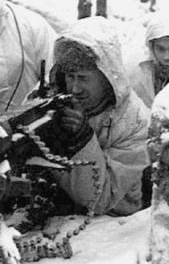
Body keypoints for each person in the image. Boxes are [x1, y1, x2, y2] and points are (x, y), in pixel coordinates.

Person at [40, 16, 150, 216]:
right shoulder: (49, 99)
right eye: (70, 77)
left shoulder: (135, 121)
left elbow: (102, 200)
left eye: (83, 78)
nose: (74, 88)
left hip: (113, 222)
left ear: (106, 78)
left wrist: (81, 140)